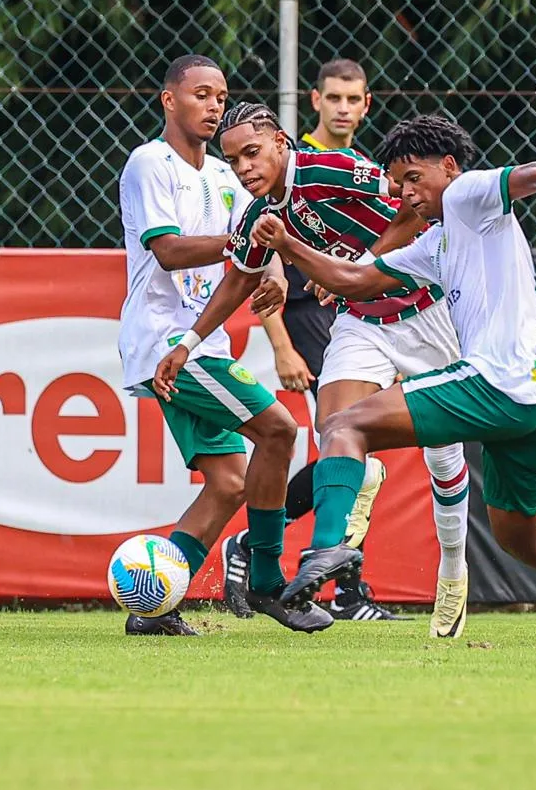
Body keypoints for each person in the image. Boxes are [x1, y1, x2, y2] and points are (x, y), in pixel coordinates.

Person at [256, 113, 536, 646]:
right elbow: (353, 279)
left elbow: (535, 174)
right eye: (398, 183)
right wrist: (289, 243)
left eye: (414, 178)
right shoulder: (435, 243)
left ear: (448, 166)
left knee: (346, 426)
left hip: (497, 382)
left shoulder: (468, 193)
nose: (406, 192)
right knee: (523, 540)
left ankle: (326, 547)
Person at [153, 102, 474, 639]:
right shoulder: (259, 217)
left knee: (446, 463)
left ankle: (453, 569)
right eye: (233, 162)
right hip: (361, 322)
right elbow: (237, 278)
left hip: (425, 313)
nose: (245, 168)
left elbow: (413, 209)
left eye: (252, 153)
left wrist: (358, 268)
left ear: (281, 142)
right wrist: (188, 342)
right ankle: (325, 553)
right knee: (337, 427)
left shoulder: (331, 168)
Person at [116, 54, 332, 636]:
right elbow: (169, 250)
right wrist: (251, 245)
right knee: (280, 430)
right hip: (167, 342)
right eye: (201, 95)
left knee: (230, 482)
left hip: (198, 346)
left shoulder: (221, 175)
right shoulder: (149, 164)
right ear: (169, 100)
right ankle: (267, 583)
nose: (213, 106)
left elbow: (262, 251)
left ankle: (151, 607)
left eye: (221, 96)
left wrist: (277, 273)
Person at [223, 59, 406, 622]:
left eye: (354, 98)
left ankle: (334, 576)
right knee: (347, 440)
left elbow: (390, 220)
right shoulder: (285, 164)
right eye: (334, 98)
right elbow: (264, 267)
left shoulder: (354, 167)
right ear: (315, 103)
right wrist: (280, 343)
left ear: (367, 103)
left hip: (378, 299)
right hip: (316, 314)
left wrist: (354, 271)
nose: (344, 108)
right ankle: (334, 580)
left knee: (355, 449)